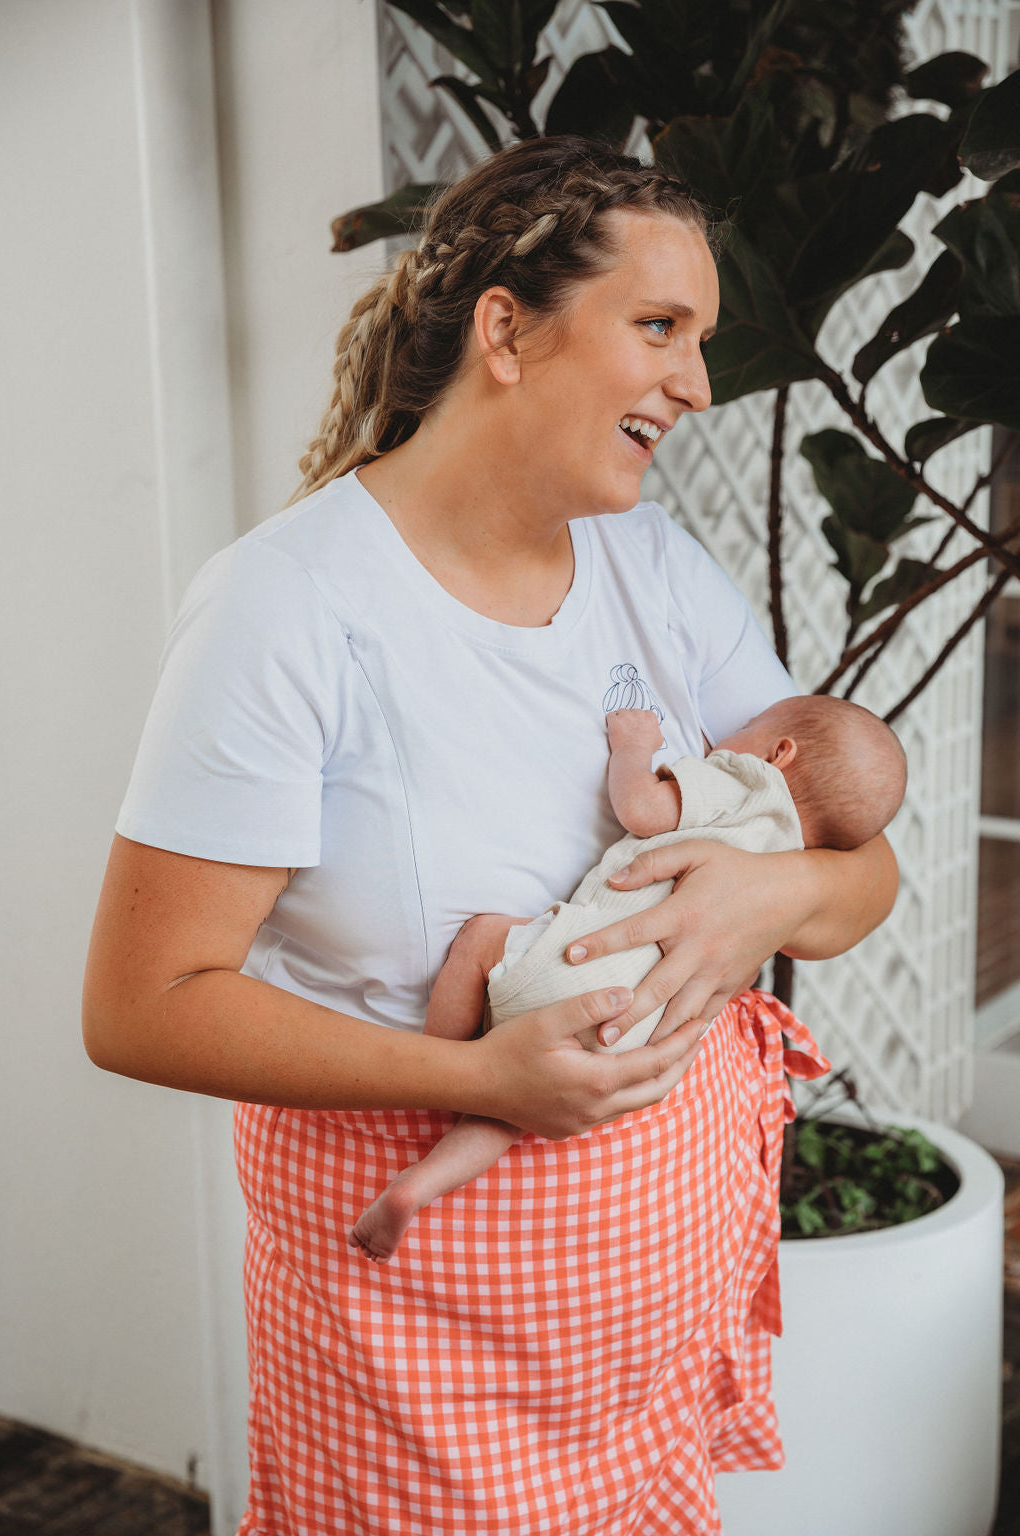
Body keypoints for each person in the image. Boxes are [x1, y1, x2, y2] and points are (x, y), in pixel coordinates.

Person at [82, 136, 899, 1536]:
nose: (698, 384)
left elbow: (860, 863)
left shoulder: (654, 568)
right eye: (660, 328)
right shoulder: (290, 608)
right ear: (507, 330)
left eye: (700, 339)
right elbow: (141, 1008)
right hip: (422, 1350)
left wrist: (753, 907)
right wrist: (484, 1076)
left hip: (650, 1314)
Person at [350, 694, 906, 1262]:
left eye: (745, 727)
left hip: (567, 967)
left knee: (479, 940)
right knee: (509, 1111)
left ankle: (439, 1072)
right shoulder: (788, 853)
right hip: (632, 1031)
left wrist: (634, 747)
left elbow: (641, 810)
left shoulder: (747, 782)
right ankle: (418, 1185)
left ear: (780, 752)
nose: (723, 739)